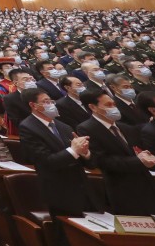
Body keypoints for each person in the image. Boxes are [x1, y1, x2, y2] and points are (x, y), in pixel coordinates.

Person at [77, 90, 155, 214]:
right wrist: (138, 161)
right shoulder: (86, 128)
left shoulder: (126, 128)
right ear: (93, 107)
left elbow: (140, 151)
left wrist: (149, 158)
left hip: (148, 185)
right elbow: (102, 160)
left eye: (114, 104)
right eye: (108, 105)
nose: (113, 108)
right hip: (121, 188)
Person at [17, 87, 99, 221]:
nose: (51, 104)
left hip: (82, 188)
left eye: (51, 101)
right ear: (33, 105)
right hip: (59, 191)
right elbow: (47, 162)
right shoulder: (27, 127)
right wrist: (73, 151)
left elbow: (90, 163)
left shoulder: (64, 126)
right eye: (46, 101)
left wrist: (85, 152)